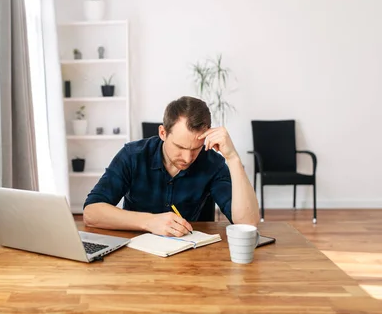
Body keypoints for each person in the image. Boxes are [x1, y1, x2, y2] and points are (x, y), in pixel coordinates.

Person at [83, 96, 259, 237]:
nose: (187, 157)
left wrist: (232, 157)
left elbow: (247, 224)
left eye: (196, 149)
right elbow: (91, 213)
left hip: (192, 258)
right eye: (180, 147)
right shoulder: (133, 155)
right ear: (162, 133)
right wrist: (149, 222)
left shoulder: (213, 163)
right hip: (135, 254)